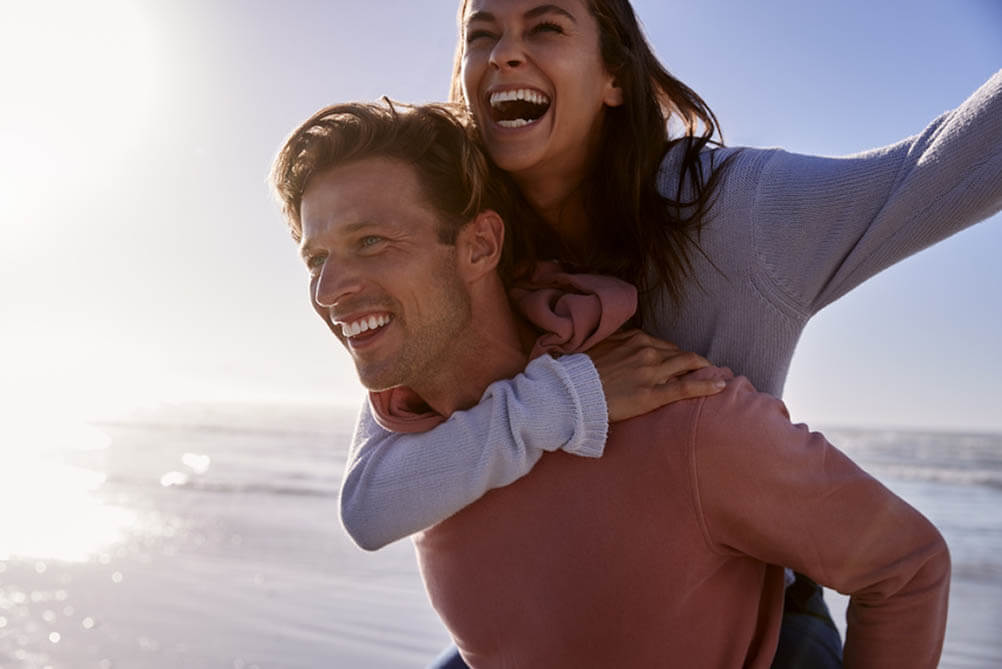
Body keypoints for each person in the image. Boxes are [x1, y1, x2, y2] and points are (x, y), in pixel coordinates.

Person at [337, 1, 1000, 665]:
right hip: (559, 606)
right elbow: (372, 500)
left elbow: (936, 170)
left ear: (615, 78)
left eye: (546, 27)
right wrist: (573, 395)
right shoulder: (463, 245)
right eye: (481, 35)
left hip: (757, 617)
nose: (504, 52)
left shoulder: (739, 215)